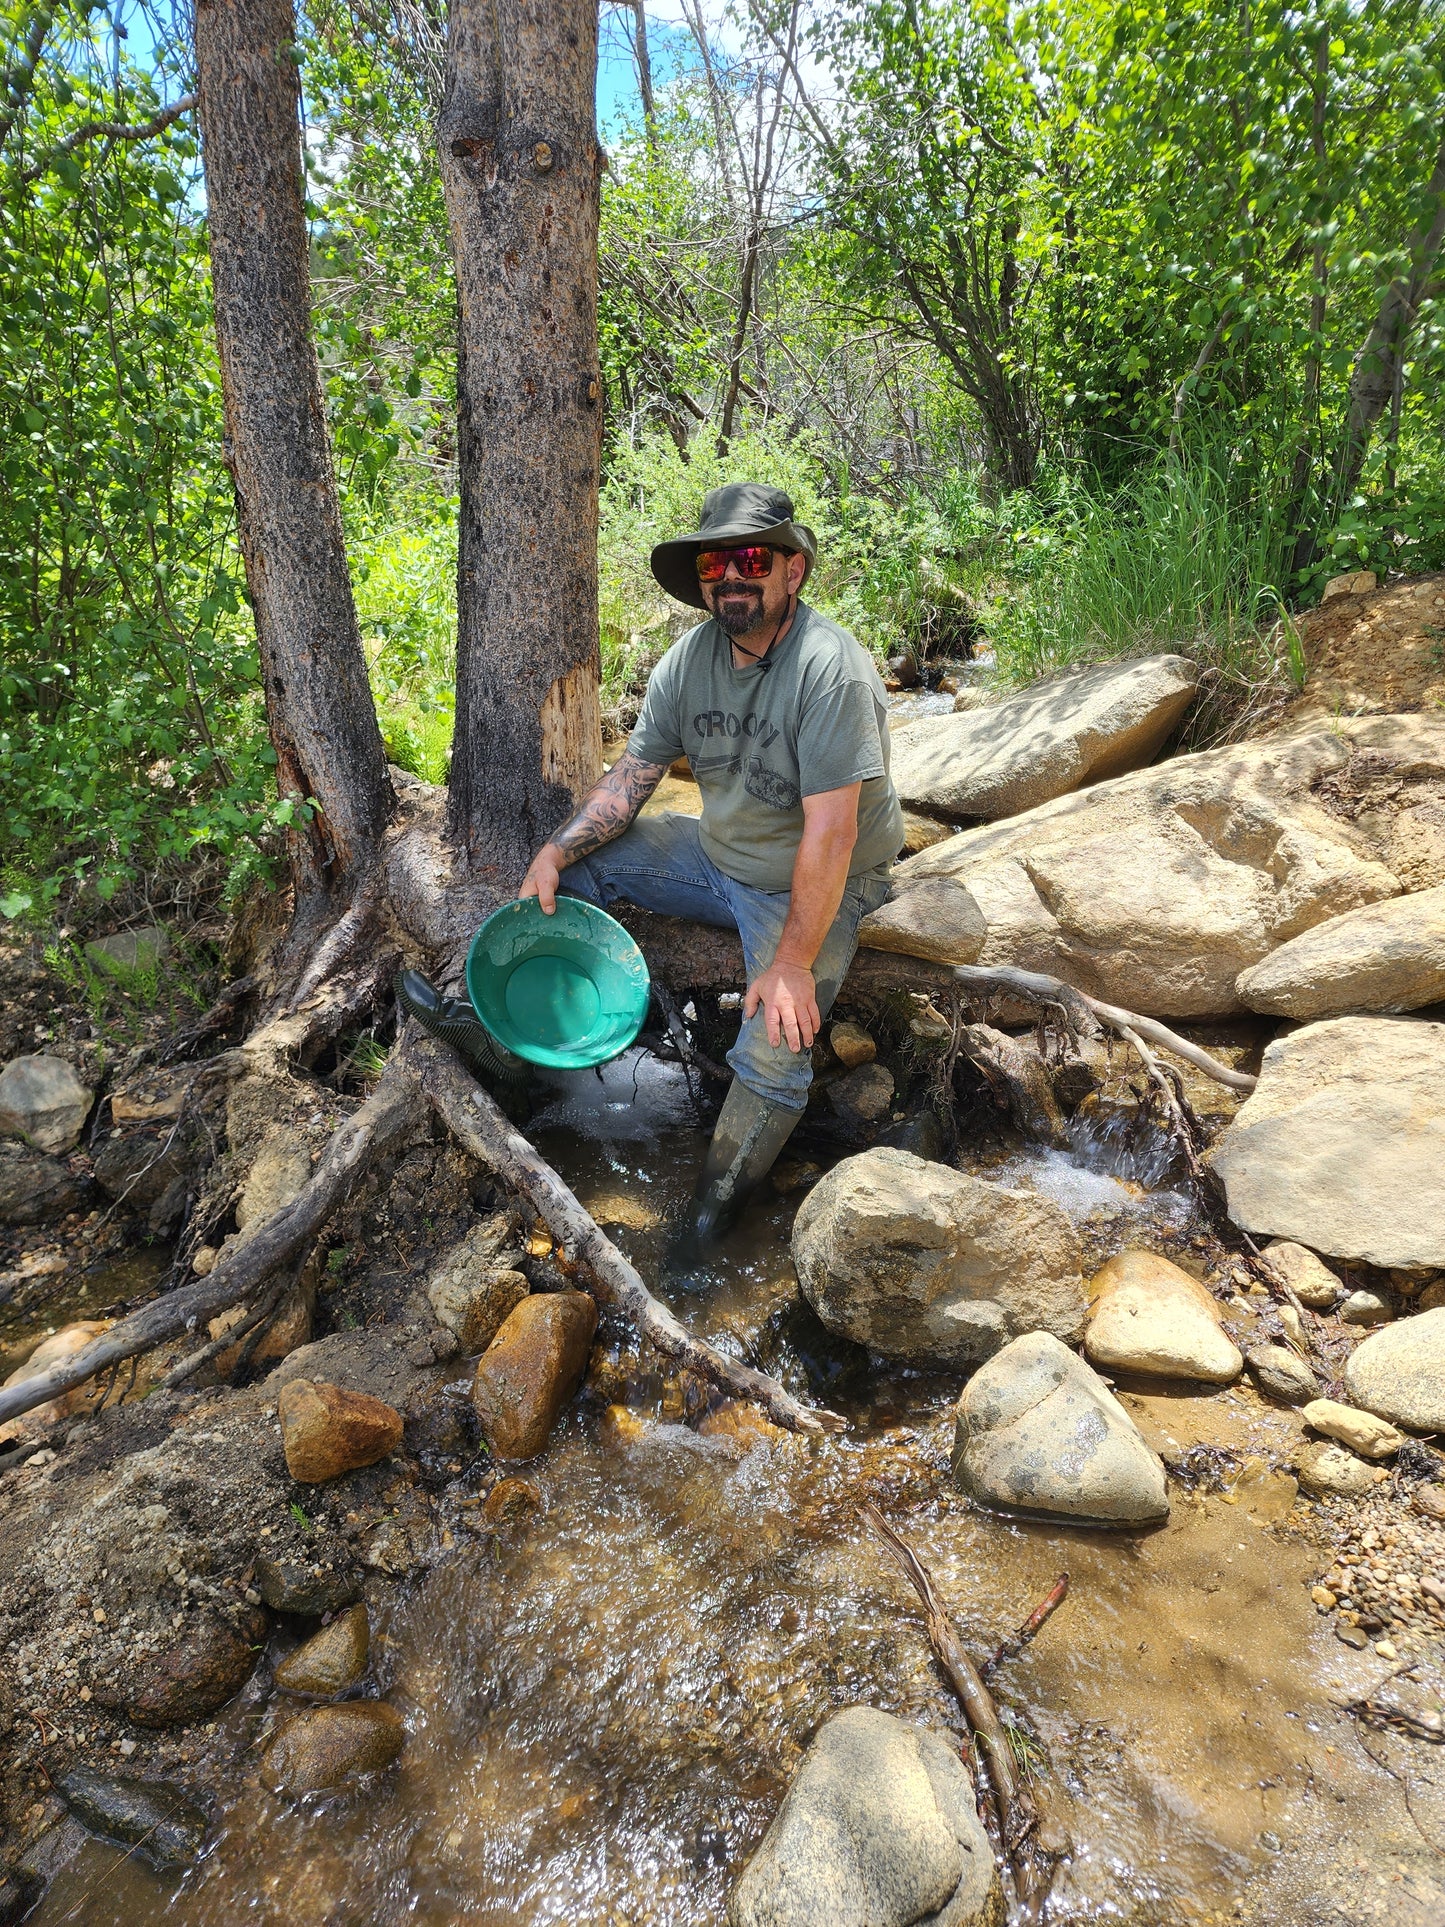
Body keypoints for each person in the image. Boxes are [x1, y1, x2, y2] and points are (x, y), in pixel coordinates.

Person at [519, 482, 902, 1248]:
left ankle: (704, 1223)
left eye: (752, 558)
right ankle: (516, 1046)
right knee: (580, 877)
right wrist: (556, 851)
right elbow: (631, 780)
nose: (731, 576)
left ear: (792, 570)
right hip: (716, 855)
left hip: (813, 879)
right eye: (714, 563)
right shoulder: (687, 662)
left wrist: (792, 962)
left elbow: (829, 835)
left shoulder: (830, 668)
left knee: (776, 1045)